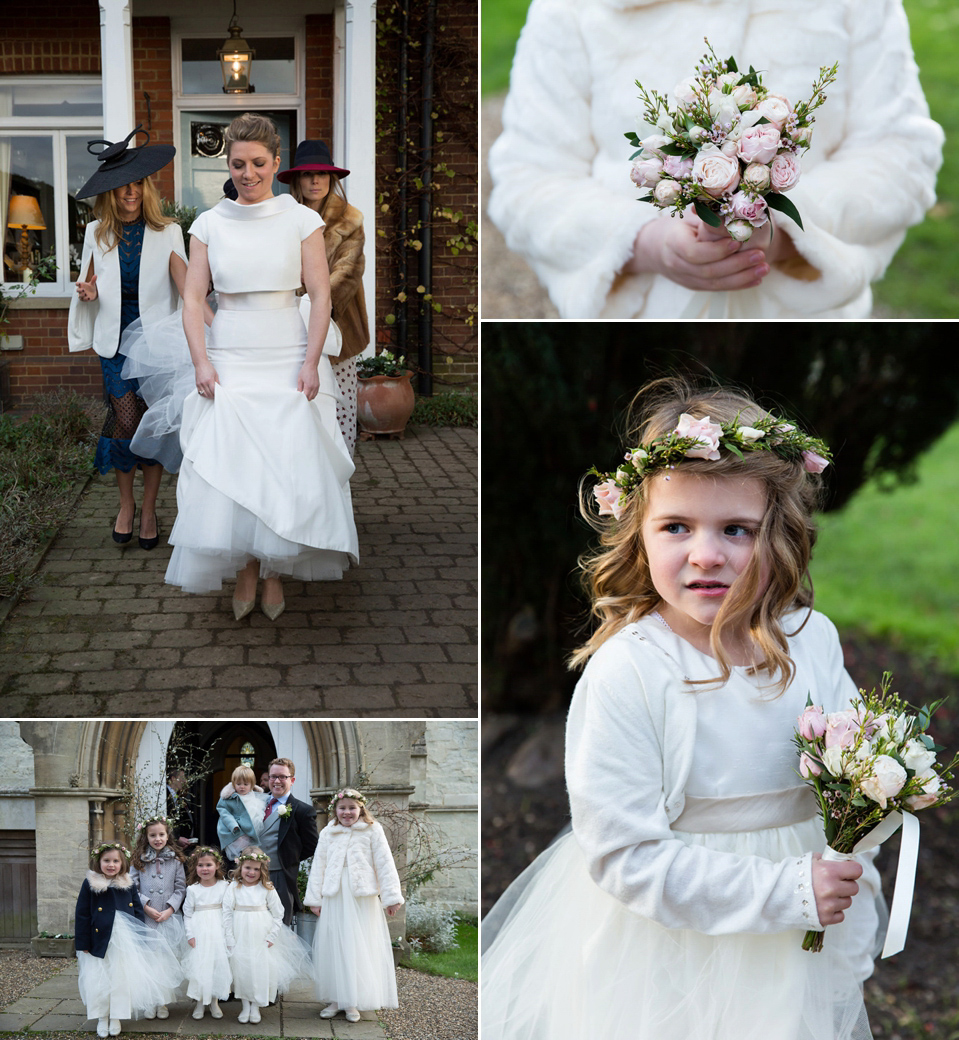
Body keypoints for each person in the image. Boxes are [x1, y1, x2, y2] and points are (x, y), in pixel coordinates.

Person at [481, 378, 884, 1040]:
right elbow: (625, 855)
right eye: (676, 527)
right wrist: (785, 892)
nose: (705, 554)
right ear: (638, 535)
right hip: (667, 947)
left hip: (800, 927)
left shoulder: (812, 640)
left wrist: (856, 868)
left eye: (736, 529)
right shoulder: (632, 669)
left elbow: (853, 785)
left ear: (778, 533)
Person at [487, 0, 944, 319]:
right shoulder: (568, 8)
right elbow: (528, 178)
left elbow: (900, 155)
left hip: (802, 318)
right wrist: (644, 242)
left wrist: (781, 235)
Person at [128, 111, 358, 621]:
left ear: (276, 163)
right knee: (233, 462)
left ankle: (273, 571)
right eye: (237, 164)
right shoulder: (209, 224)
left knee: (282, 462)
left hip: (287, 351)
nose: (247, 173)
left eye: (257, 163)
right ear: (226, 166)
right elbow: (193, 301)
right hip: (230, 353)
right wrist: (201, 362)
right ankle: (246, 570)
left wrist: (311, 360)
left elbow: (320, 295)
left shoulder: (303, 220)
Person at [68, 125, 191, 549]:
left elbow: (187, 287)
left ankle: (151, 507)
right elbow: (89, 284)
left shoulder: (169, 232)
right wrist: (88, 292)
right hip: (116, 346)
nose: (131, 192)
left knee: (151, 424)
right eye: (122, 186)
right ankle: (125, 504)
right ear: (111, 192)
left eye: (137, 183)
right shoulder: (95, 233)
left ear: (146, 187)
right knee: (125, 419)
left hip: (156, 345)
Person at [279, 140, 369, 456]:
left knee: (340, 402)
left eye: (322, 174)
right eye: (308, 174)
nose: (315, 181)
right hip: (288, 326)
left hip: (340, 327)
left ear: (331, 179)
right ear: (297, 180)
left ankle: (339, 473)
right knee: (298, 401)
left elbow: (345, 276)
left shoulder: (350, 220)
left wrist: (308, 302)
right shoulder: (283, 217)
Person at [304, 788, 403, 1022]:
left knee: (358, 946)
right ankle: (336, 998)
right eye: (342, 808)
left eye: (352, 808)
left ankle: (353, 1001)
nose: (347, 812)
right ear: (335, 811)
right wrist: (315, 899)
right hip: (336, 896)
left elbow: (385, 863)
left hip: (361, 897)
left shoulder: (372, 830)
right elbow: (319, 866)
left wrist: (391, 897)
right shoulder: (329, 832)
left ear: (361, 809)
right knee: (336, 945)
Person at [75, 841, 182, 1038]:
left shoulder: (127, 883)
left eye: (115, 861)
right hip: (98, 939)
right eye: (106, 860)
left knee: (120, 978)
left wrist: (139, 938)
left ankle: (116, 1016)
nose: (111, 865)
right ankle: (102, 1017)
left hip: (124, 939)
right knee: (99, 979)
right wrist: (83, 942)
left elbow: (137, 912)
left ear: (122, 863)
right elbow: (82, 914)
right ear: (99, 862)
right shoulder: (90, 883)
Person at [221, 846, 312, 1023]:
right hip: (239, 931)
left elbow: (279, 913)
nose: (251, 872)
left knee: (259, 969)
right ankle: (245, 1005)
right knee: (242, 969)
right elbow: (226, 913)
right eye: (248, 867)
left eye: (256, 869)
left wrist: (272, 935)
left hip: (260, 932)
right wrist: (229, 937)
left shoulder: (267, 888)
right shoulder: (233, 887)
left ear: (262, 870)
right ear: (240, 867)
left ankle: (256, 1006)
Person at [128, 815, 186, 1019]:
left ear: (167, 835)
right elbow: (132, 887)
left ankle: (163, 1001)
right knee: (149, 960)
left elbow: (180, 887)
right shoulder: (137, 859)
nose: (158, 838)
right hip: (147, 918)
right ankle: (150, 1000)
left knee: (165, 961)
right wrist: (145, 906)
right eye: (153, 835)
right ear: (146, 836)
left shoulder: (176, 860)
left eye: (161, 834)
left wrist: (170, 909)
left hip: (168, 918)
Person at [259, 756, 319, 926]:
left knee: (278, 927)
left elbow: (312, 845)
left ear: (292, 780)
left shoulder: (303, 810)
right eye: (273, 776)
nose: (277, 781)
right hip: (251, 875)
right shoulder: (256, 803)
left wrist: (288, 858)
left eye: (282, 777)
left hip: (280, 876)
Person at [182, 845, 232, 1020]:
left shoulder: (225, 886)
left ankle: (214, 1001)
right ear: (195, 867)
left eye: (208, 865)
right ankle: (199, 1002)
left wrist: (228, 934)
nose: (205, 869)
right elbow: (187, 914)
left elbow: (228, 911)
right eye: (201, 865)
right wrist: (190, 934)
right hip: (199, 931)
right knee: (200, 967)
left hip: (219, 930)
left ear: (217, 865)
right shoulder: (192, 889)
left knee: (216, 966)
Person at [216, 764, 268, 861]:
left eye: (246, 784)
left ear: (252, 785)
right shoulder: (229, 797)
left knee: (249, 855)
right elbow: (224, 812)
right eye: (238, 784)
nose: (242, 787)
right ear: (233, 783)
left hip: (249, 832)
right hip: (235, 832)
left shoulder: (255, 797)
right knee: (238, 857)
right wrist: (233, 825)